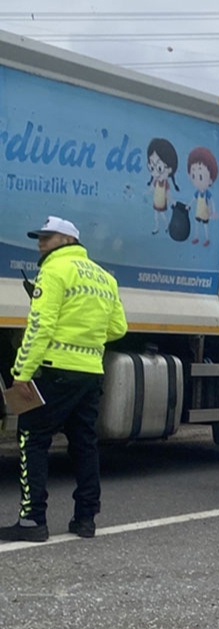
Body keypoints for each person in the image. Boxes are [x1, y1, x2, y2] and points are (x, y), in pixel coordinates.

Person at [0, 217, 127, 543]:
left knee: (32, 437)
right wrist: (87, 336)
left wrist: (21, 374)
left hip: (55, 371)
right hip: (90, 373)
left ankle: (32, 521)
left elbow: (39, 327)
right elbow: (118, 329)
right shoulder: (104, 278)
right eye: (39, 238)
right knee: (84, 444)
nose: (40, 243)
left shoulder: (54, 273)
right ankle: (86, 519)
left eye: (47, 237)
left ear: (67, 240)